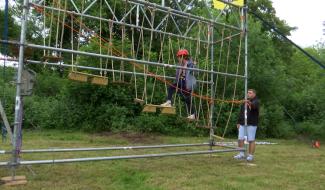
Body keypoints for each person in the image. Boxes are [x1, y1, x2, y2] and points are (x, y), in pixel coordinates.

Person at [160, 49, 197, 120]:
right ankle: (193, 114)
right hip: (181, 83)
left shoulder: (190, 64)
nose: (178, 59)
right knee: (185, 98)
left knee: (185, 98)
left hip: (186, 84)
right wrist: (168, 66)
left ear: (183, 57)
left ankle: (169, 102)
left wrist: (194, 65)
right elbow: (174, 67)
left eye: (179, 57)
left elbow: (194, 71)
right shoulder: (180, 65)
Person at [234, 89, 259, 161]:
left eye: (250, 93)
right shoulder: (245, 101)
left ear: (254, 94)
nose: (248, 94)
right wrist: (238, 122)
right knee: (240, 138)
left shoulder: (256, 101)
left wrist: (248, 102)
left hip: (251, 123)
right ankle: (241, 154)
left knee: (251, 139)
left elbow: (253, 106)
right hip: (242, 123)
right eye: (248, 93)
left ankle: (250, 156)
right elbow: (241, 112)